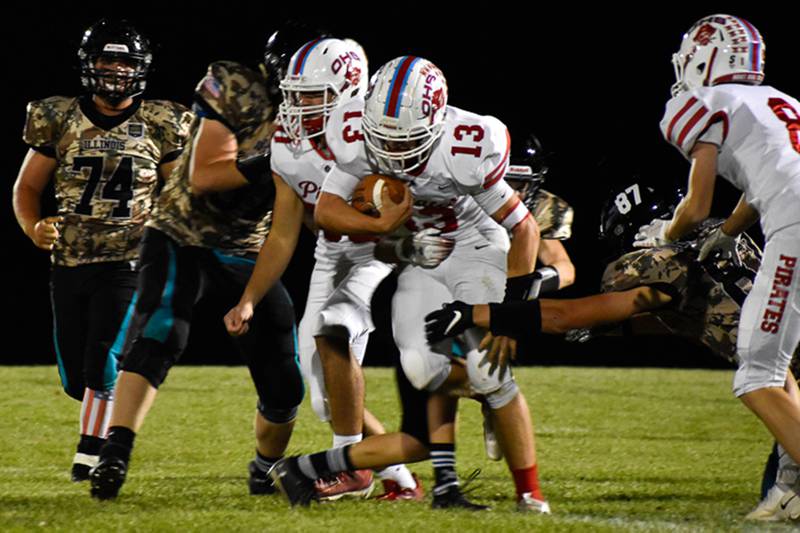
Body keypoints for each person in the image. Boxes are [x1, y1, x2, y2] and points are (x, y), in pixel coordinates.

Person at [271, 56, 550, 513]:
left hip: (475, 246)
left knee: (490, 371)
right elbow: (326, 210)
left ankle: (529, 493)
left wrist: (509, 314)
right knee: (424, 370)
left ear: (438, 123)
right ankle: (478, 409)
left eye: (408, 141)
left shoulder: (468, 144)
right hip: (423, 255)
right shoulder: (356, 130)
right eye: (385, 140)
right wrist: (381, 225)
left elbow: (524, 230)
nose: (396, 155)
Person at [88, 24, 319, 500]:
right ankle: (115, 450)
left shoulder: (332, 119)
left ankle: (265, 466)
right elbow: (205, 175)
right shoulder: (235, 84)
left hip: (249, 246)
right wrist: (276, 155)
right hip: (182, 231)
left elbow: (296, 221)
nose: (317, 97)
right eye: (308, 83)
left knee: (283, 378)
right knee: (162, 329)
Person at [223, 37, 449, 501]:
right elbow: (283, 233)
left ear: (349, 89)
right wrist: (249, 297)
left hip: (395, 247)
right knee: (327, 395)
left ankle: (350, 469)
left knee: (334, 329)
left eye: (311, 95)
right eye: (293, 94)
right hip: (336, 252)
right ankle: (398, 479)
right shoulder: (288, 141)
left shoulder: (375, 129)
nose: (297, 105)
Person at [12, 19, 191, 482]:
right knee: (77, 377)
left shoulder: (162, 121)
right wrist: (32, 225)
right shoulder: (58, 116)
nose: (114, 70)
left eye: (124, 61)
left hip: (131, 257)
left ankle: (93, 452)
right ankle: (103, 417)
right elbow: (27, 187)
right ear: (89, 64)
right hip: (70, 259)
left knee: (101, 354)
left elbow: (183, 193)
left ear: (140, 68)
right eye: (106, 60)